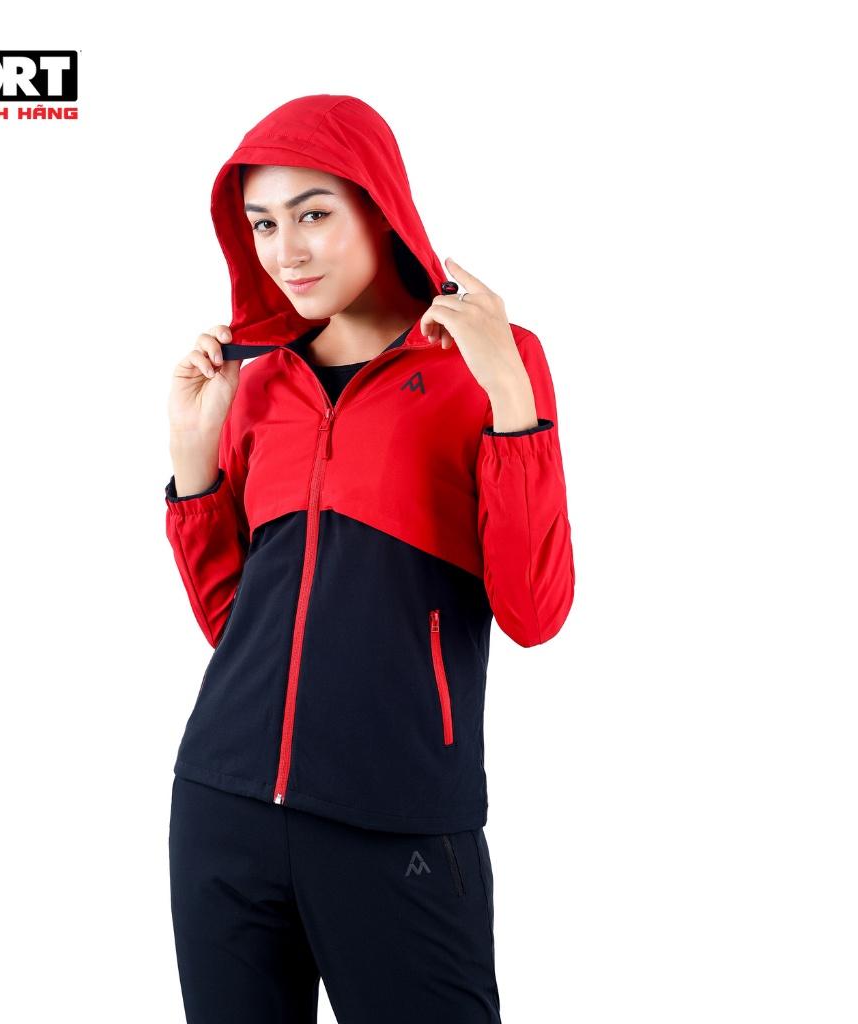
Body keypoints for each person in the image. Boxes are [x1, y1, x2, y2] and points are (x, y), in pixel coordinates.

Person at [164, 94, 575, 1023]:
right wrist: (193, 466)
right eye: (263, 224)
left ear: (380, 206)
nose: (287, 251)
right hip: (222, 810)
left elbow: (535, 610)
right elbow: (235, 627)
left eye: (313, 213)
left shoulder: (491, 364)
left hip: (400, 822)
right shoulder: (258, 383)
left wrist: (509, 393)